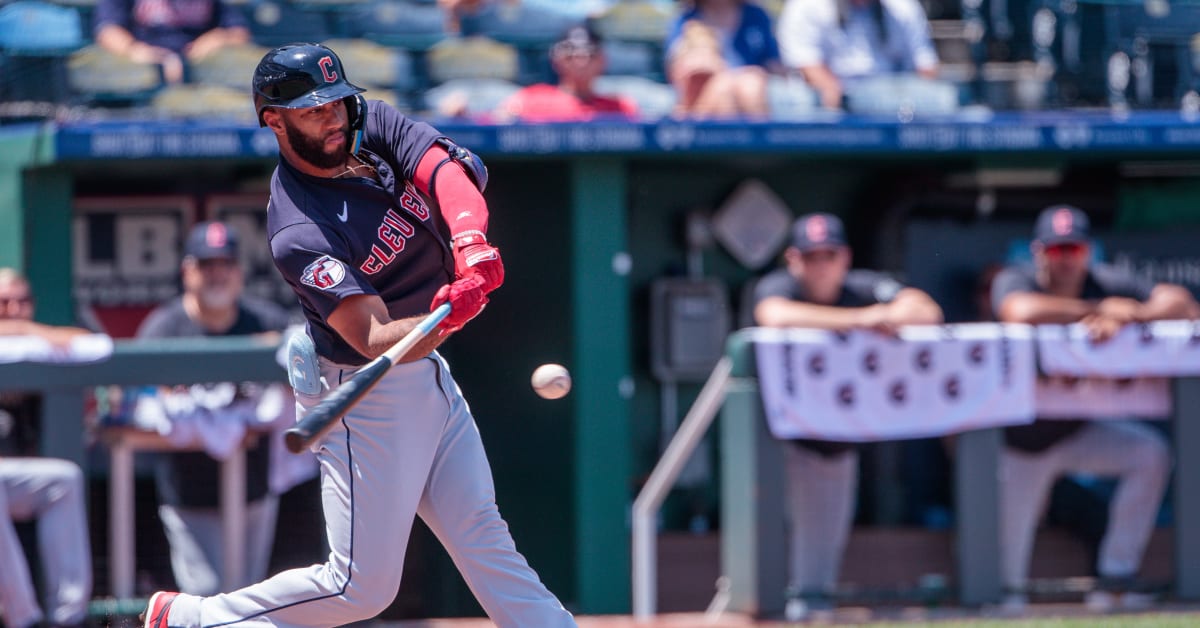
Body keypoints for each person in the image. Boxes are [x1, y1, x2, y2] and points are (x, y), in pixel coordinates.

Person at [141, 42, 576, 627]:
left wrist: (470, 240)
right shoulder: (299, 228)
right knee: (358, 588)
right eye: (312, 110)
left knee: (481, 533)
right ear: (274, 119)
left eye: (337, 104)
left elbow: (447, 172)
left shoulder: (368, 127)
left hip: (427, 374)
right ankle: (196, 620)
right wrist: (453, 313)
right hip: (364, 392)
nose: (333, 118)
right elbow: (374, 339)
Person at [991, 204, 1198, 612]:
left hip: (1078, 430)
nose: (1066, 259)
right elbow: (1018, 311)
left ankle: (1115, 581)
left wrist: (1134, 313)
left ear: (1088, 250)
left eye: (1074, 249)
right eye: (1056, 250)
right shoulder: (1019, 279)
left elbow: (1181, 303)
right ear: (1038, 252)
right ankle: (1005, 600)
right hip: (1022, 444)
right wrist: (1098, 312)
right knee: (1005, 584)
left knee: (1149, 454)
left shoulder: (1105, 280)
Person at [751, 213, 943, 618]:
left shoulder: (863, 286)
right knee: (765, 540)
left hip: (834, 438)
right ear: (793, 259)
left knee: (822, 547)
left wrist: (889, 312)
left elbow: (926, 309)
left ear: (845, 257)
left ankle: (809, 611)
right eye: (811, 256)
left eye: (829, 255)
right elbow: (774, 314)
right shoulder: (779, 286)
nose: (821, 265)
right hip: (774, 438)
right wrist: (863, 320)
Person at [133, 221, 300, 596]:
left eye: (225, 264)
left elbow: (311, 373)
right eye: (207, 265)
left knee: (250, 594)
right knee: (205, 592)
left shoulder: (265, 322)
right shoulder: (164, 328)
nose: (218, 275)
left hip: (254, 488)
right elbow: (134, 404)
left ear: (239, 272)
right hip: (188, 491)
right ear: (187, 272)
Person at [0, 268, 94, 628]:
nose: (12, 310)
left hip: (17, 477)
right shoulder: (31, 336)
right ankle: (23, 619)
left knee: (64, 479)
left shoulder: (40, 344)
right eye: (2, 302)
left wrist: (32, 332)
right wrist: (24, 329)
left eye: (20, 302)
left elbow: (86, 343)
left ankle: (68, 618)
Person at [775, 0, 939, 110]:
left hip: (894, 97)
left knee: (941, 97)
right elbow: (806, 63)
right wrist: (839, 96)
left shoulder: (903, 6)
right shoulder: (806, 6)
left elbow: (925, 66)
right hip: (835, 99)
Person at [493, 24, 639, 122]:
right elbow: (498, 120)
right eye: (571, 55)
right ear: (556, 59)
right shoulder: (531, 99)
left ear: (602, 60)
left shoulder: (619, 107)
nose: (581, 61)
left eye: (590, 54)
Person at [664, 0, 783, 118]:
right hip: (701, 108)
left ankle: (759, 135)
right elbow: (681, 74)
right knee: (725, 88)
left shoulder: (756, 16)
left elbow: (774, 65)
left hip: (754, 91)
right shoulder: (686, 21)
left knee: (751, 84)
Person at [94, 0, 251, 85]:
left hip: (198, 70)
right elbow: (107, 31)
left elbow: (240, 33)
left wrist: (218, 38)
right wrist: (135, 50)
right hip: (143, 67)